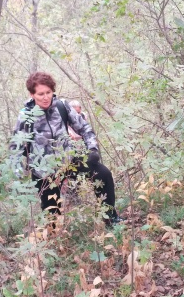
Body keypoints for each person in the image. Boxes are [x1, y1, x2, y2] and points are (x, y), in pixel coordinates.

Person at [9, 72, 123, 226]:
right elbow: (15, 147)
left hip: (68, 162)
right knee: (52, 219)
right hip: (45, 172)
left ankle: (111, 219)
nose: (45, 97)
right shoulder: (26, 116)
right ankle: (55, 234)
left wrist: (92, 150)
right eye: (41, 94)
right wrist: (19, 176)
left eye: (48, 92)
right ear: (32, 94)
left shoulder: (61, 106)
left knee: (103, 174)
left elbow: (84, 128)